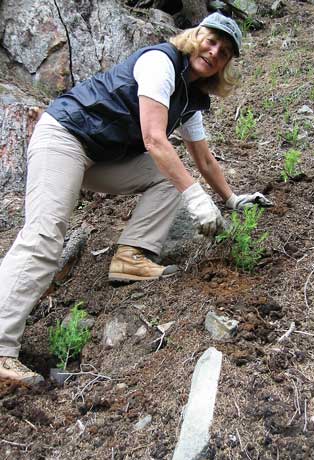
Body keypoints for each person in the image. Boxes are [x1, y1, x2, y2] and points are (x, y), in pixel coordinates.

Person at [0, 12, 272, 385]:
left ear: (224, 66)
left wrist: (231, 200)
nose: (213, 52)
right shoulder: (160, 64)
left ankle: (131, 257)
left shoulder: (191, 97)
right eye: (210, 40)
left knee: (168, 175)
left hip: (100, 156)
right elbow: (155, 140)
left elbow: (203, 158)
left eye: (224, 52)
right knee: (46, 236)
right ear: (195, 37)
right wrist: (195, 198)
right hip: (66, 136)